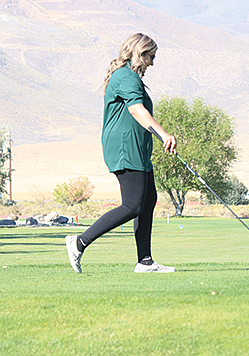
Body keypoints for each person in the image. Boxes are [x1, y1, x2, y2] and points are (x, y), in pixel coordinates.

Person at [65, 33, 177, 274]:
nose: (152, 62)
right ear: (139, 52)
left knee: (148, 202)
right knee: (133, 205)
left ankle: (145, 262)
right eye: (151, 56)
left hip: (139, 149)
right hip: (126, 148)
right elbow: (137, 110)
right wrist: (164, 134)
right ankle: (79, 242)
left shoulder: (131, 77)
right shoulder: (125, 77)